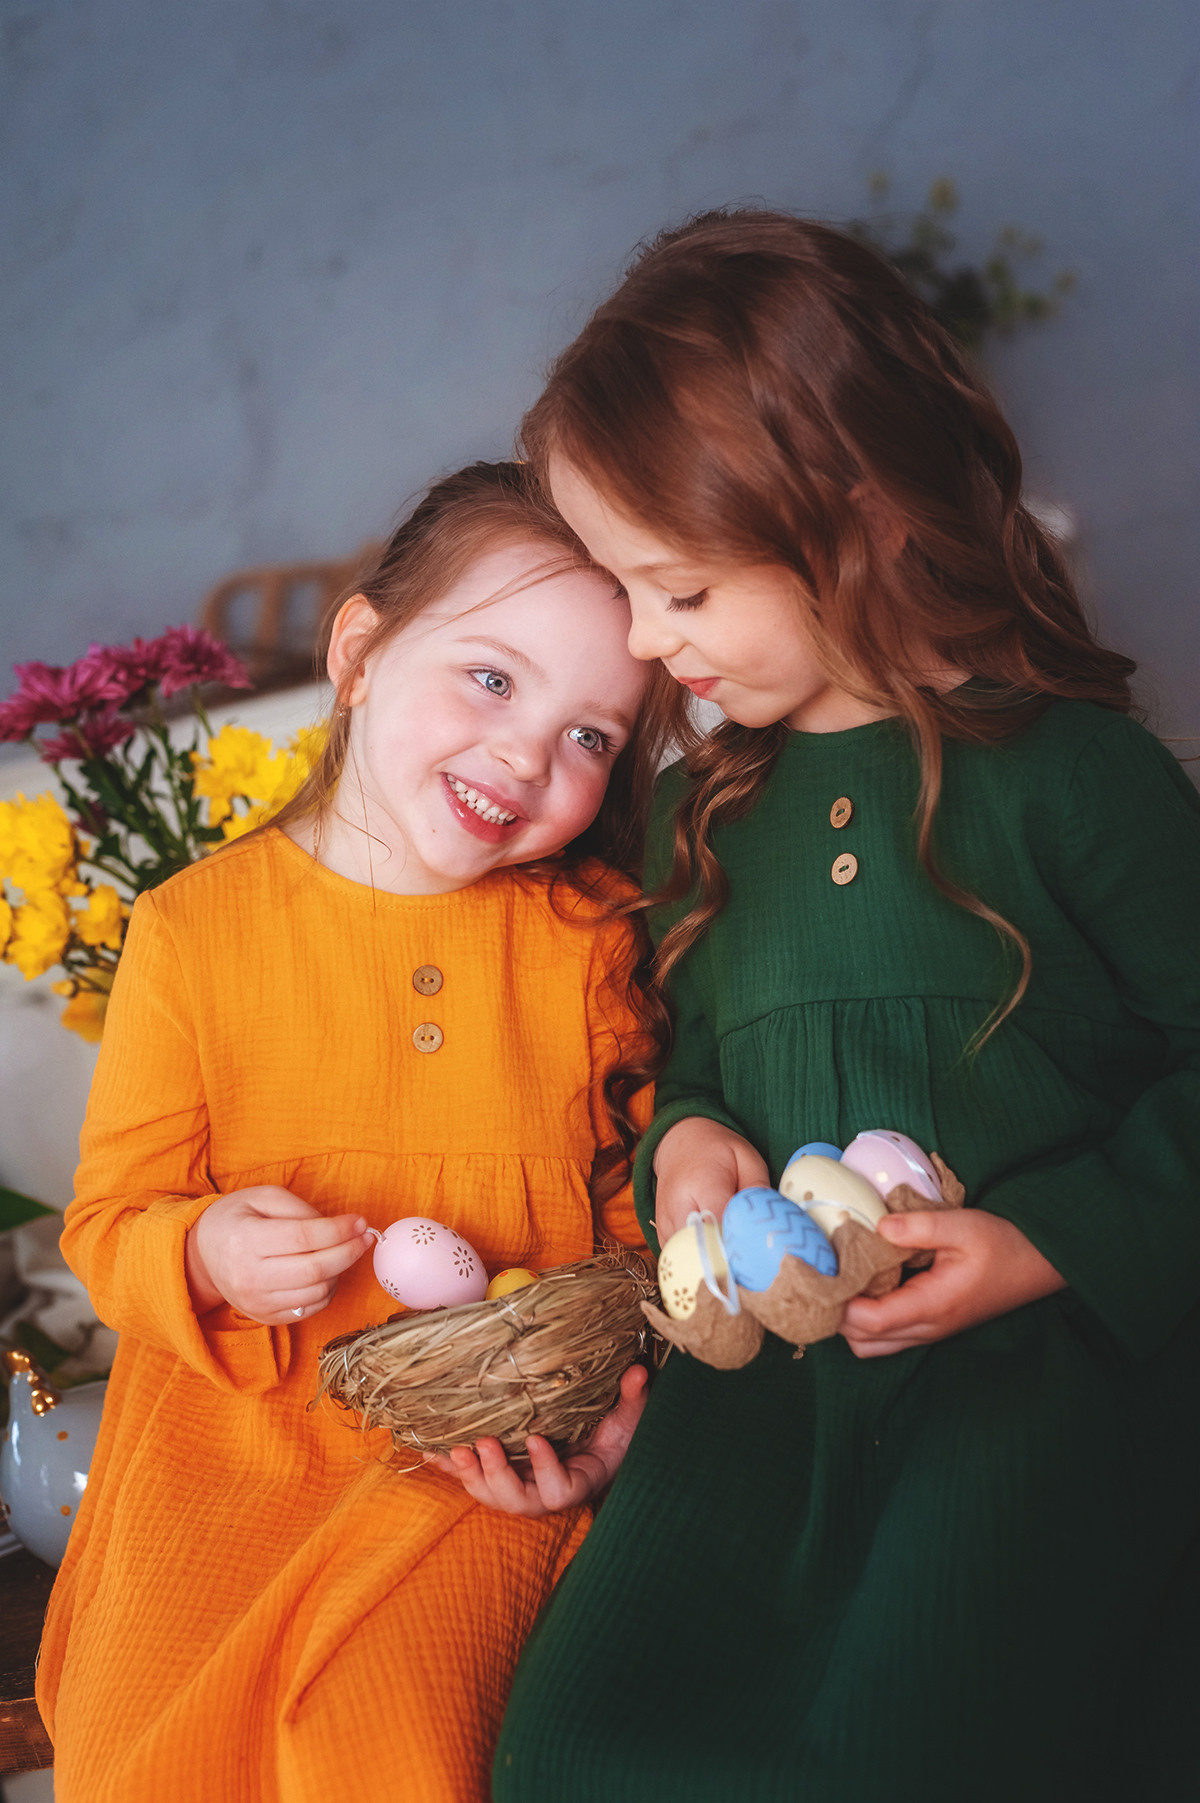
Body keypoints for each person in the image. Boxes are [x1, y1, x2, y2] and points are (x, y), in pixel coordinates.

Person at [491, 213, 1200, 1803]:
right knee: (568, 1741)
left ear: (856, 523)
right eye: (622, 590)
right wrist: (691, 1145)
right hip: (768, 1409)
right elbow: (692, 1070)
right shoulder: (708, 825)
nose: (641, 644)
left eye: (672, 589)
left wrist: (1049, 1241)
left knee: (897, 1748)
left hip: (1035, 1392)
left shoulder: (1074, 777)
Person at [36, 461, 679, 1803]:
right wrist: (201, 1247)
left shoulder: (590, 942)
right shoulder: (196, 931)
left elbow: (643, 1228)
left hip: (474, 1472)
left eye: (592, 737)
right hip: (226, 1458)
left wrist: (607, 1431)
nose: (526, 755)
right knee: (129, 1743)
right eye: (494, 679)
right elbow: (106, 1226)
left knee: (389, 1742)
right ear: (361, 651)